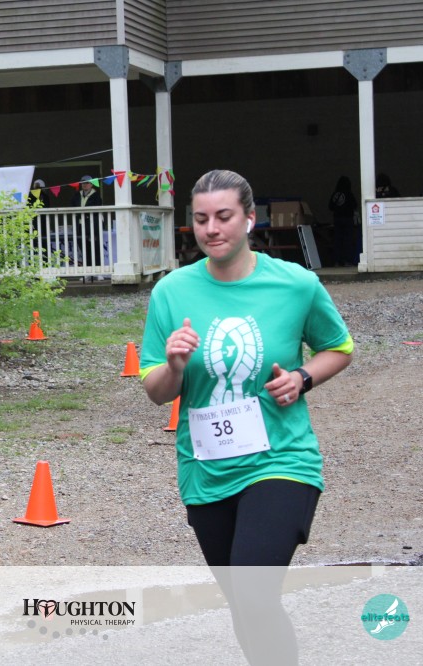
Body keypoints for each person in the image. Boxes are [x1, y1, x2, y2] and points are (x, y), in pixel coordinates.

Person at [139, 170, 353, 665]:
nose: (211, 229)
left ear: (250, 219)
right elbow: (156, 392)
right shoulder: (171, 292)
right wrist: (174, 365)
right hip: (206, 470)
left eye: (224, 216)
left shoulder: (296, 284)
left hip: (281, 459)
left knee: (254, 593)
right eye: (201, 219)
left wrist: (302, 377)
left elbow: (339, 347)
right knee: (243, 603)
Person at [327, 175, 358, 266]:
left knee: (337, 241)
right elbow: (355, 205)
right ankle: (347, 261)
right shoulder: (349, 194)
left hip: (337, 219)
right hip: (348, 219)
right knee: (348, 241)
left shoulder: (335, 194)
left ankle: (337, 261)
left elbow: (330, 207)